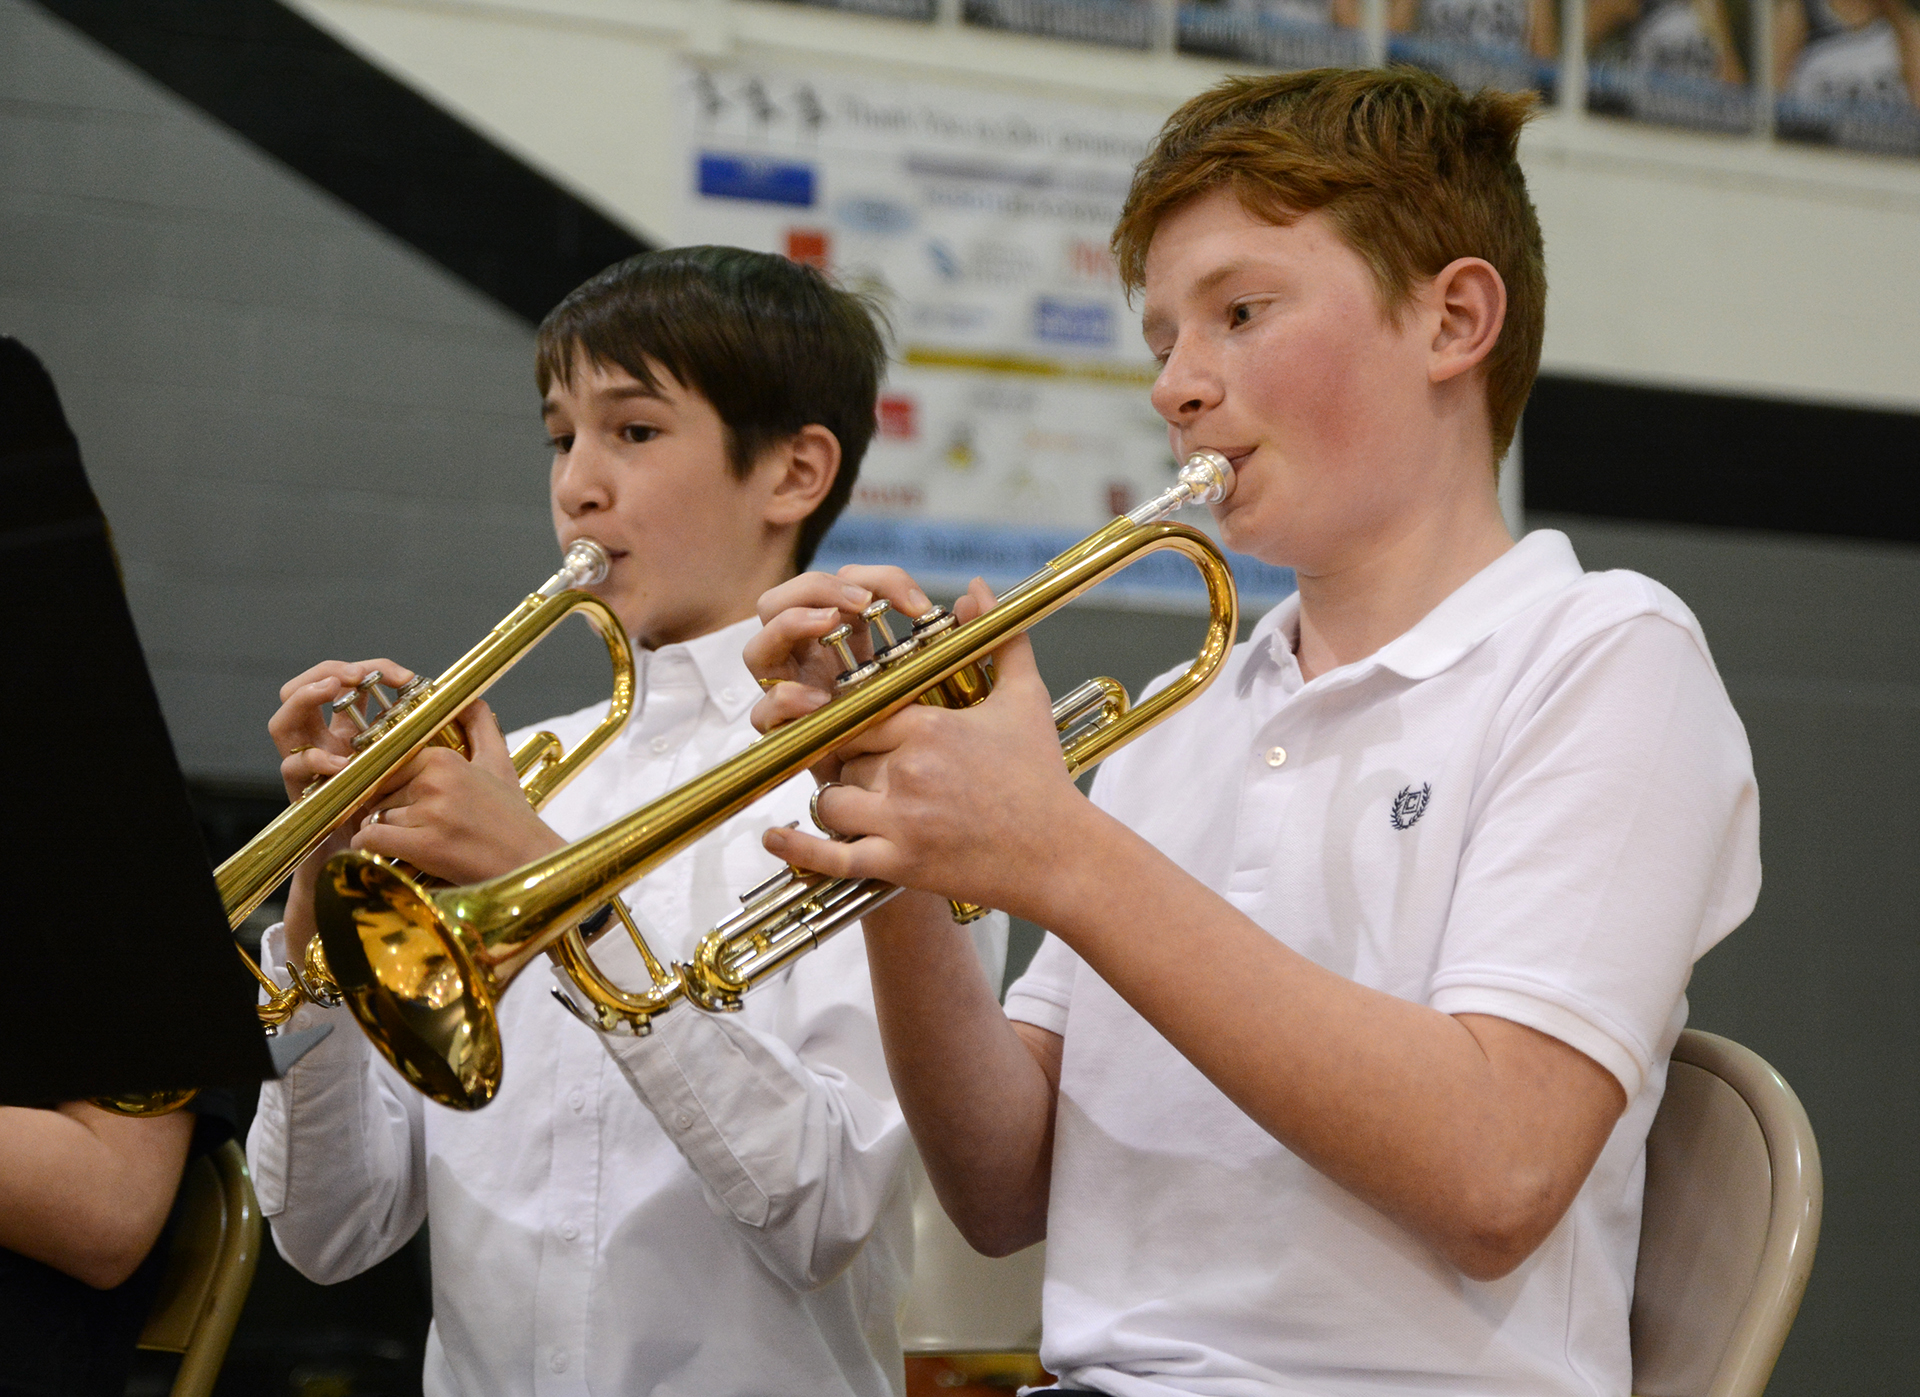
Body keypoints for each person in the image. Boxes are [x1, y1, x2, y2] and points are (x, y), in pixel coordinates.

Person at [747, 68, 1760, 1397]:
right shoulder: (1186, 718)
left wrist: (1059, 853)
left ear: (1453, 318)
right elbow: (999, 1185)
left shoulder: (1603, 653)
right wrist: (893, 839)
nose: (1177, 385)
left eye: (1239, 312)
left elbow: (1496, 1170)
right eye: (1162, 335)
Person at [247, 247, 984, 1396]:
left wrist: (558, 891)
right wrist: (317, 916)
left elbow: (828, 1205)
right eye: (560, 436)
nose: (578, 483)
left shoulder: (891, 771)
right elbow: (328, 1228)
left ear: (795, 471)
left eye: (633, 432)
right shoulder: (525, 774)